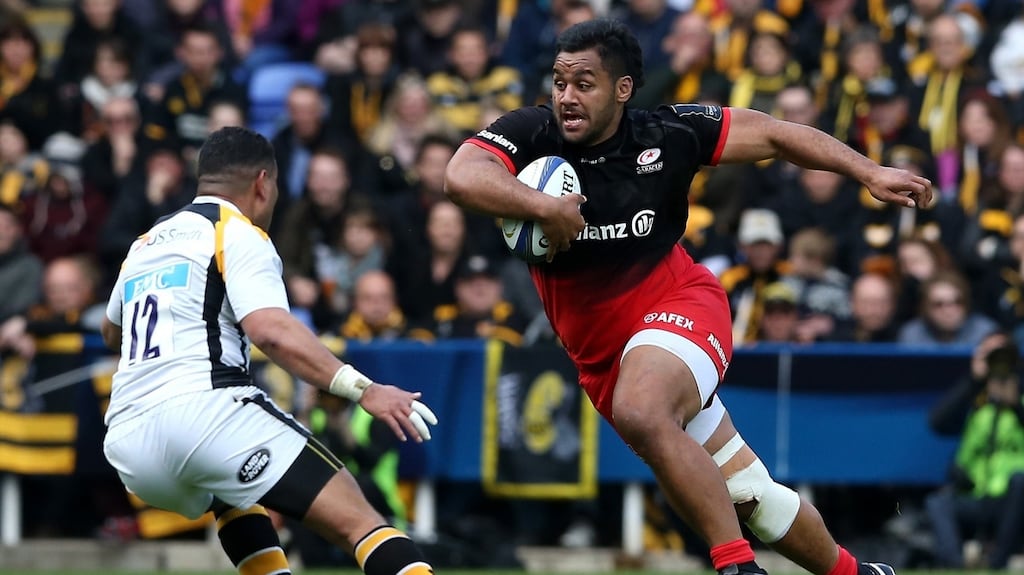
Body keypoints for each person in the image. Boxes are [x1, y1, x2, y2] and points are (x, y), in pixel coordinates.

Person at [444, 18, 932, 575]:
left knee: (642, 409)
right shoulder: (533, 134)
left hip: (680, 306)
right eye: (559, 82)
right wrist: (543, 207)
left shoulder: (668, 134)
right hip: (604, 357)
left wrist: (868, 170)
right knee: (751, 496)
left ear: (622, 89)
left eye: (584, 83)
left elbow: (776, 134)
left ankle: (736, 567)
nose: (566, 97)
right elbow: (461, 176)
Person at [100, 127, 438, 575]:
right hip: (204, 412)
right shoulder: (236, 232)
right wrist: (365, 390)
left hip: (130, 442)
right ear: (263, 183)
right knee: (360, 522)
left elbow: (112, 332)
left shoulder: (145, 243)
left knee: (233, 496)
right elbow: (271, 331)